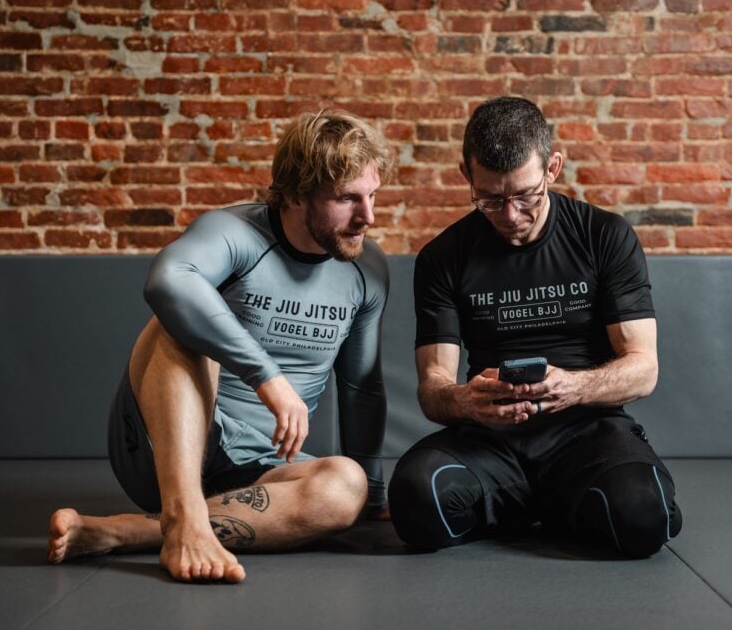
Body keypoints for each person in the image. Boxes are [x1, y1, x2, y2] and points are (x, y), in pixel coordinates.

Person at [48, 109, 394, 583]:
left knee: (344, 487)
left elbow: (361, 386)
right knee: (186, 320)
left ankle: (137, 532)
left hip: (257, 471)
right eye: (346, 199)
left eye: (372, 195)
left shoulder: (366, 270)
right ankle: (181, 512)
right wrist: (266, 376)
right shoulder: (235, 233)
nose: (367, 216)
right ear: (295, 192)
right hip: (160, 447)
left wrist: (373, 492)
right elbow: (168, 281)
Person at [388, 97, 682, 558]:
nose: (509, 215)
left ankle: (546, 500)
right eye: (489, 199)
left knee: (643, 518)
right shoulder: (443, 257)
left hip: (584, 433)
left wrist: (573, 387)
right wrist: (465, 399)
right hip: (491, 440)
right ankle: (547, 504)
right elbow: (433, 388)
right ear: (466, 175)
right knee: (415, 501)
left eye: (525, 195)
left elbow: (643, 369)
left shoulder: (604, 236)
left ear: (552, 168)